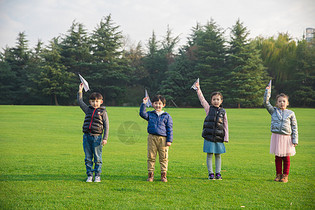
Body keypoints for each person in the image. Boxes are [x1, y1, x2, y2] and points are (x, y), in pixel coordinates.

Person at [263, 84, 298, 183]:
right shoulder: (273, 111)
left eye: (284, 101)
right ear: (276, 103)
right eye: (279, 101)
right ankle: (278, 175)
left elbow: (294, 127)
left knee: (286, 157)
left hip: (286, 138)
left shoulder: (291, 113)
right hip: (276, 137)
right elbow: (266, 103)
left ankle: (285, 175)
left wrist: (295, 139)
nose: (282, 103)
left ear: (287, 103)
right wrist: (267, 92)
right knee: (278, 157)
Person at [195, 82, 229, 180]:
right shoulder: (208, 109)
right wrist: (198, 89)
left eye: (218, 99)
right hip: (209, 136)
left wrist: (226, 137)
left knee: (218, 155)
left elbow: (225, 125)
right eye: (214, 99)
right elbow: (202, 99)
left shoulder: (223, 112)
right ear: (211, 100)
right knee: (209, 155)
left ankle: (218, 173)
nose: (215, 101)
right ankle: (211, 173)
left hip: (219, 137)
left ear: (221, 101)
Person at [78, 83, 109, 183]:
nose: (95, 103)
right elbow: (79, 101)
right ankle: (90, 175)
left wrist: (105, 138)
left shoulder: (103, 112)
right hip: (87, 137)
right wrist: (80, 90)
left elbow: (106, 126)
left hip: (97, 138)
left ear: (101, 102)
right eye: (93, 101)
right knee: (87, 158)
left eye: (97, 101)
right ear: (90, 102)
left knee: (97, 158)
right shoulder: (88, 110)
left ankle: (97, 175)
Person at [139, 95, 173, 182]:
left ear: (163, 105)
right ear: (153, 104)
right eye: (156, 103)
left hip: (163, 139)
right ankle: (150, 175)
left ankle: (163, 175)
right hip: (152, 138)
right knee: (151, 157)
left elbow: (170, 129)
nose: (158, 105)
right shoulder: (150, 114)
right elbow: (142, 114)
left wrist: (169, 140)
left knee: (163, 157)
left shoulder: (167, 116)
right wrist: (144, 104)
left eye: (160, 103)